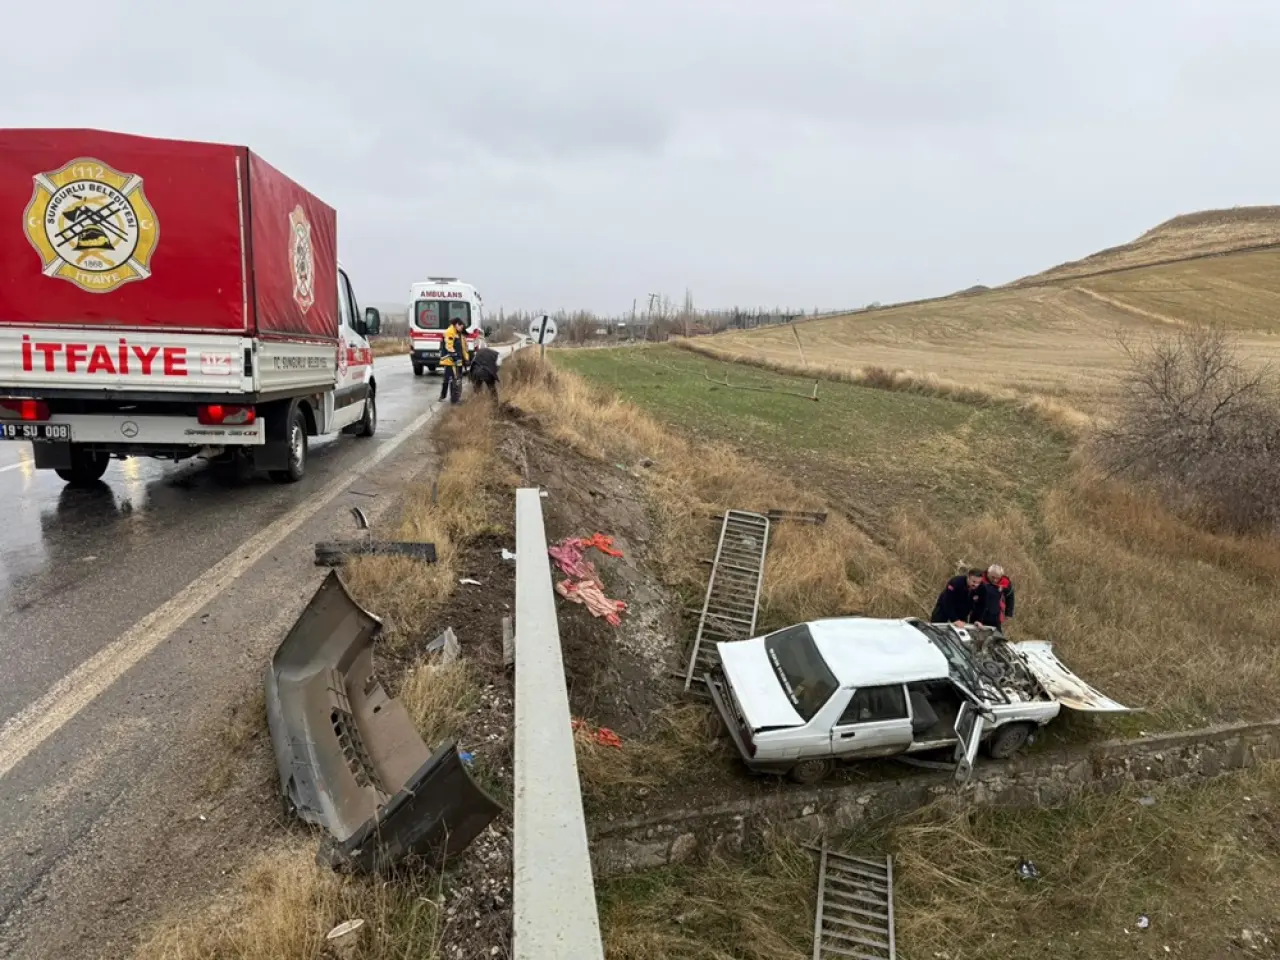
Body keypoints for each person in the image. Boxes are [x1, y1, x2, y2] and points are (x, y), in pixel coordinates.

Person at [973, 563, 1015, 630]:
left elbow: (1010, 597)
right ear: (988, 573)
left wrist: (1008, 613)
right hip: (978, 613)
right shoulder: (979, 578)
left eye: (998, 578)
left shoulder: (1005, 583)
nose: (995, 580)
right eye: (993, 577)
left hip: (995, 615)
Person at [439, 316, 470, 404]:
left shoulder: (460, 334)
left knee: (450, 378)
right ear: (457, 325)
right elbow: (449, 346)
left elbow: (463, 348)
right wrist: (455, 356)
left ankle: (444, 396)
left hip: (457, 359)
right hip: (451, 360)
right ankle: (454, 400)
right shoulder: (450, 332)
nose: (462, 329)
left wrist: (466, 359)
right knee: (455, 379)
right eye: (461, 327)